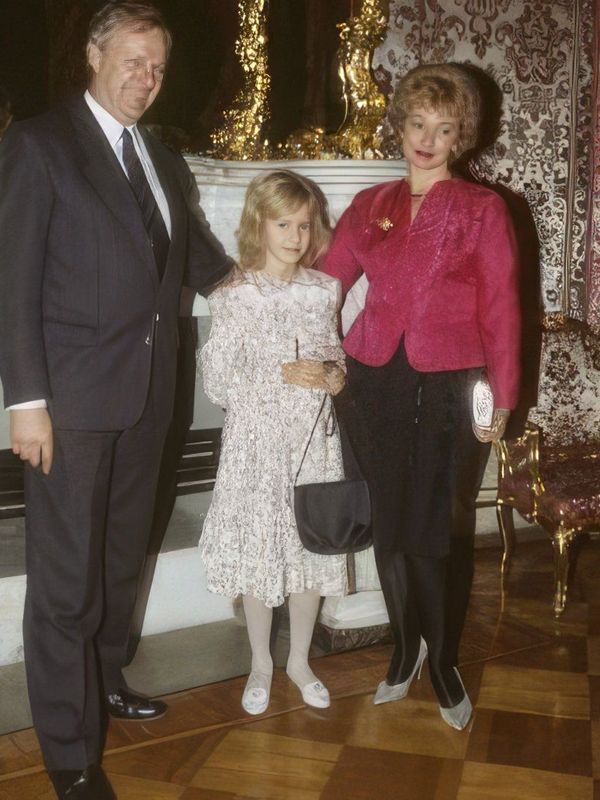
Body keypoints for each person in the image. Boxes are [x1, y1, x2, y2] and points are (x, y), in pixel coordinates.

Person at [0, 3, 232, 798]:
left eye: (158, 67)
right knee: (66, 581)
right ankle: (70, 755)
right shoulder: (39, 144)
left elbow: (198, 261)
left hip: (149, 399)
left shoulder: (160, 157)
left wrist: (280, 282)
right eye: (133, 60)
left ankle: (103, 682)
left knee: (120, 560)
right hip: (67, 405)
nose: (147, 78)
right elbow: (13, 282)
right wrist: (26, 401)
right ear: (94, 56)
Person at [322, 64, 520, 730]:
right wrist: (277, 307)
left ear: (461, 136)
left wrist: (503, 396)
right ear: (400, 127)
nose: (428, 140)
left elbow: (502, 309)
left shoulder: (483, 210)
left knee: (434, 528)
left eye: (443, 128)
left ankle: (444, 664)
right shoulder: (370, 205)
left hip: (451, 384)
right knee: (389, 525)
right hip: (372, 380)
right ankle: (404, 651)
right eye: (417, 124)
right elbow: (326, 283)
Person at [199, 169, 347, 716]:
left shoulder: (324, 290)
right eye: (283, 224)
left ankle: (300, 661)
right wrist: (279, 373)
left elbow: (336, 358)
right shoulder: (235, 295)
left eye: (304, 225)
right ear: (258, 225)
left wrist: (333, 374)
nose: (295, 236)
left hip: (312, 444)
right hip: (257, 446)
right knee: (262, 554)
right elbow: (217, 382)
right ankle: (261, 662)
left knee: (309, 550)